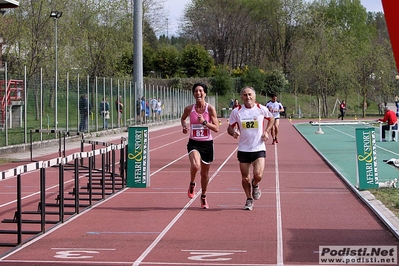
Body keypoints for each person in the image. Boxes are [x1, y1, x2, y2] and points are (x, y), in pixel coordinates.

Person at [227, 86, 274, 211]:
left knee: (258, 175)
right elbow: (229, 128)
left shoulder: (261, 109)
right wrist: (233, 133)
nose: (247, 97)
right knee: (245, 177)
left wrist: (267, 131)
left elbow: (272, 119)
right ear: (241, 97)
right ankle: (248, 199)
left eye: (249, 94)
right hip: (243, 149)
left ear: (254, 96)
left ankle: (255, 184)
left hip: (258, 147)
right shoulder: (236, 111)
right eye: (245, 95)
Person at [180, 83, 219, 209]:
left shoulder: (210, 109)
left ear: (205, 93)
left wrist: (205, 122)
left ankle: (203, 196)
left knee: (204, 174)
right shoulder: (189, 109)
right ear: (193, 94)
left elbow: (217, 128)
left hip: (207, 144)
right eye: (196, 91)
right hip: (194, 142)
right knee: (196, 165)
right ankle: (192, 184)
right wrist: (185, 126)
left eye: (201, 91)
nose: (198, 93)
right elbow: (183, 119)